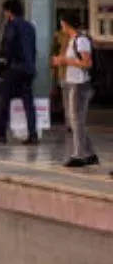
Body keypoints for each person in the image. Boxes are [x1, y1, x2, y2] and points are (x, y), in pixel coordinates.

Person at [0, 0, 38, 144]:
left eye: (5, 11)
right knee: (28, 102)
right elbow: (32, 49)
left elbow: (10, 47)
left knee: (4, 100)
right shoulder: (30, 26)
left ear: (9, 11)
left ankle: (0, 133)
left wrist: (7, 65)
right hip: (29, 68)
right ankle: (33, 134)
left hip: (16, 68)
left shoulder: (12, 25)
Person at [53, 15, 96, 167]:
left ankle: (79, 155)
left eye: (62, 23)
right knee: (75, 121)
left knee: (76, 121)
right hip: (72, 82)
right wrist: (60, 61)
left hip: (80, 84)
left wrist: (65, 61)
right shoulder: (72, 40)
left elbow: (87, 63)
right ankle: (89, 153)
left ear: (66, 23)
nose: (61, 26)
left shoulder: (81, 40)